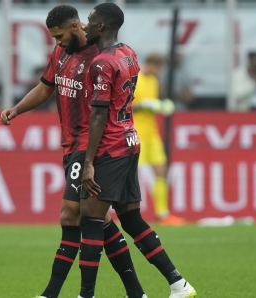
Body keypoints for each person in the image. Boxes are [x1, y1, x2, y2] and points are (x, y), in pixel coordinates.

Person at [0, 5, 145, 298]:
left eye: (60, 35)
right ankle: (136, 291)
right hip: (69, 144)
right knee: (99, 220)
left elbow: (104, 109)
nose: (57, 42)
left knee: (71, 214)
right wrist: (16, 109)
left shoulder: (100, 57)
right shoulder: (61, 53)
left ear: (77, 26)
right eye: (53, 37)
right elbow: (45, 87)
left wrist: (91, 157)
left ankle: (52, 293)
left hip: (89, 145)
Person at [79, 3, 196, 298]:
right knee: (130, 218)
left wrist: (89, 160)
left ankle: (86, 295)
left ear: (102, 26)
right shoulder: (128, 52)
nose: (86, 25)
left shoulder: (102, 63)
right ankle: (177, 283)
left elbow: (99, 114)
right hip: (131, 141)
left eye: (91, 20)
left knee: (91, 219)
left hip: (111, 147)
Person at [133, 53, 185, 226]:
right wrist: (144, 105)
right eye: (159, 68)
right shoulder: (134, 79)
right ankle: (115, 212)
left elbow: (155, 103)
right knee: (127, 175)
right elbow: (122, 105)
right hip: (135, 133)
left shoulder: (154, 82)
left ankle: (163, 214)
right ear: (152, 64)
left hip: (152, 134)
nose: (160, 71)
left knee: (161, 170)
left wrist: (162, 106)